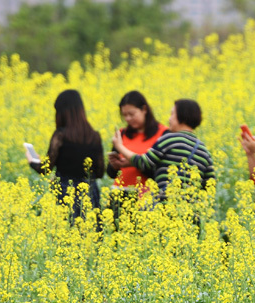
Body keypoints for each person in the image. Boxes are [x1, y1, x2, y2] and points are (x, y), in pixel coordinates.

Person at [111, 98, 215, 202]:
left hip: (166, 207)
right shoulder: (204, 151)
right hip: (190, 213)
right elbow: (209, 187)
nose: (169, 119)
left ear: (181, 116)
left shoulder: (168, 139)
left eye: (172, 114)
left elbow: (144, 162)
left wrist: (120, 146)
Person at [27, 89, 105, 222]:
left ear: (62, 113)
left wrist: (32, 160)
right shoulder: (94, 136)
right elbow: (100, 172)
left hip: (65, 192)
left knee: (66, 233)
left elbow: (45, 168)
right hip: (90, 194)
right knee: (90, 235)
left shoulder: (61, 135)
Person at [106, 90, 168, 194]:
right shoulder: (121, 134)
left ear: (144, 109)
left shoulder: (163, 133)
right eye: (124, 115)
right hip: (120, 193)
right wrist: (114, 165)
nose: (128, 119)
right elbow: (112, 174)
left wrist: (134, 162)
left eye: (131, 114)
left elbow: (163, 171)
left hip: (148, 195)